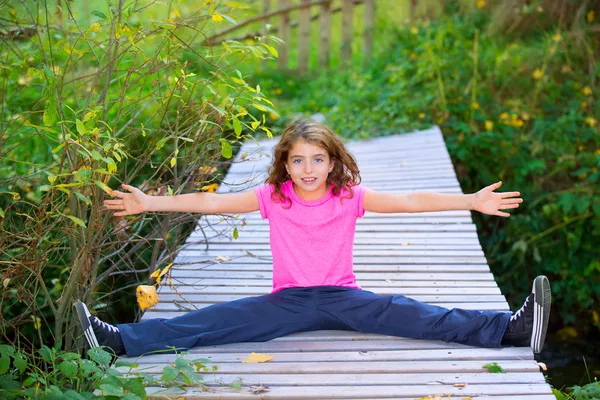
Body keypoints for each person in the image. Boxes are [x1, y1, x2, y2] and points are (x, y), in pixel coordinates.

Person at [74, 119, 551, 359]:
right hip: (291, 300)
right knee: (216, 319)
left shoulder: (349, 197)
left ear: (332, 162)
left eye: (317, 160)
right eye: (298, 160)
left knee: (408, 311)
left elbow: (408, 201)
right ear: (286, 163)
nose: (308, 169)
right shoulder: (272, 197)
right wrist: (150, 203)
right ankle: (120, 341)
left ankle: (511, 328)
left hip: (343, 297)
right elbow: (213, 203)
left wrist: (469, 200)